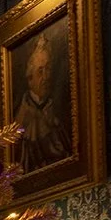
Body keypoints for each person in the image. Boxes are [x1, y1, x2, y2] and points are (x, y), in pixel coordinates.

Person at [13, 32, 70, 172]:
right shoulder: (22, 114)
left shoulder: (59, 108)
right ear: (30, 78)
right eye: (40, 71)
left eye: (48, 69)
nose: (46, 77)